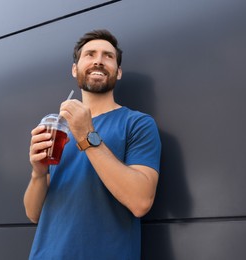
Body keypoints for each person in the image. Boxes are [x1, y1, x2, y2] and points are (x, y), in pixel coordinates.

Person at [24, 29, 161, 259]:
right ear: (74, 69)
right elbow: (33, 214)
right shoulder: (55, 127)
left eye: (108, 56)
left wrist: (86, 134)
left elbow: (140, 201)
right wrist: (38, 173)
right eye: (90, 54)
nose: (98, 60)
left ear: (118, 73)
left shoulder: (137, 123)